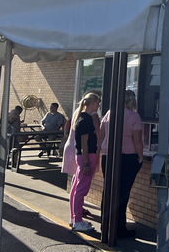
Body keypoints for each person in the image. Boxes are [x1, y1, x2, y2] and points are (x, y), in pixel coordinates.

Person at [100, 90, 144, 239]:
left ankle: (106, 225)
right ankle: (119, 228)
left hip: (107, 156)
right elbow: (137, 140)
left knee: (109, 190)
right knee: (122, 193)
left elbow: (101, 134)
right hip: (127, 157)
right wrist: (140, 157)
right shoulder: (134, 116)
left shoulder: (109, 113)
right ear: (132, 100)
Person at [68, 92, 100, 232]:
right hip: (87, 156)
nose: (99, 105)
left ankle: (75, 218)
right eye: (97, 103)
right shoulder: (86, 119)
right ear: (92, 103)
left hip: (81, 156)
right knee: (81, 190)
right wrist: (87, 163)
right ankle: (78, 221)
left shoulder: (81, 117)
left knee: (76, 188)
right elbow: (84, 143)